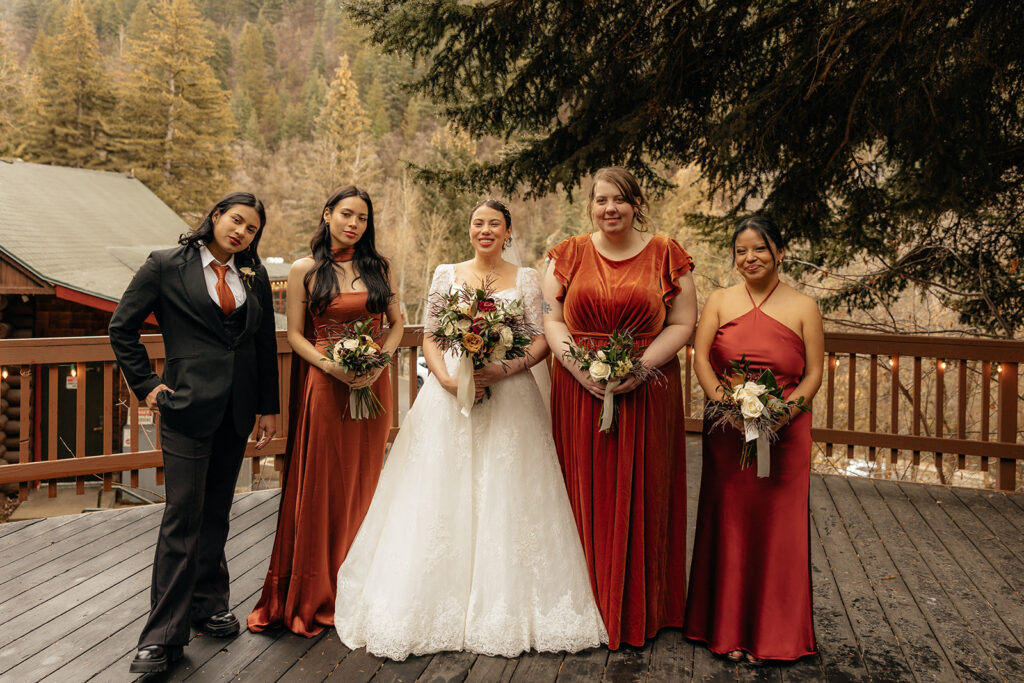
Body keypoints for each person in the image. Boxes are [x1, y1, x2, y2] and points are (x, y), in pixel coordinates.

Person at [333, 200, 607, 660]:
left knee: (509, 490)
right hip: (448, 397)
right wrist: (442, 378)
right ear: (469, 229)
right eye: (478, 223)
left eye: (494, 224)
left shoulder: (526, 279)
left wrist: (507, 369)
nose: (485, 230)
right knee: (439, 492)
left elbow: (540, 338)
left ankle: (507, 605)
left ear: (507, 231)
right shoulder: (446, 273)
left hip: (510, 394)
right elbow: (433, 334)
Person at [109, 192, 280, 674]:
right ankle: (163, 635)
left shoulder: (255, 274)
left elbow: (263, 342)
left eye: (251, 229)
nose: (241, 232)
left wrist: (269, 407)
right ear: (216, 217)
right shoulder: (165, 265)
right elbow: (122, 328)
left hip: (237, 409)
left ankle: (209, 604)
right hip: (184, 407)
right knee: (182, 514)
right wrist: (148, 386)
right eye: (236, 220)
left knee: (217, 512)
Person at [542, 166, 697, 649]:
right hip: (578, 389)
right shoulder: (565, 254)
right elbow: (552, 321)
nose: (610, 209)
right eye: (601, 200)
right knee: (580, 488)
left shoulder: (667, 254)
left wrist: (639, 367)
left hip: (647, 390)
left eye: (620, 200)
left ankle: (638, 608)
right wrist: (580, 369)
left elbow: (683, 321)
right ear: (590, 205)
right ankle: (579, 604)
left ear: (636, 204)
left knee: (643, 489)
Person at [248, 186, 403, 637]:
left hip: (374, 384)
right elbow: (296, 335)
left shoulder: (379, 267)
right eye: (346, 214)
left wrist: (379, 363)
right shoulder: (305, 270)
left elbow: (395, 325)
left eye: (362, 218)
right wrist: (333, 366)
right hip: (325, 381)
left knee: (365, 481)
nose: (354, 224)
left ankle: (361, 582)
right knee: (324, 483)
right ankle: (319, 587)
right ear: (328, 214)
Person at [683, 215, 823, 663]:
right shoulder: (721, 301)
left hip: (786, 430)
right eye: (741, 250)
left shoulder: (804, 307)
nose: (750, 258)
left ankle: (772, 636)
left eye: (759, 249)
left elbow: (814, 373)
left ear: (779, 251)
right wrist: (725, 402)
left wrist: (782, 414)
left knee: (778, 530)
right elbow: (701, 358)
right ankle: (722, 630)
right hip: (727, 428)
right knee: (730, 522)